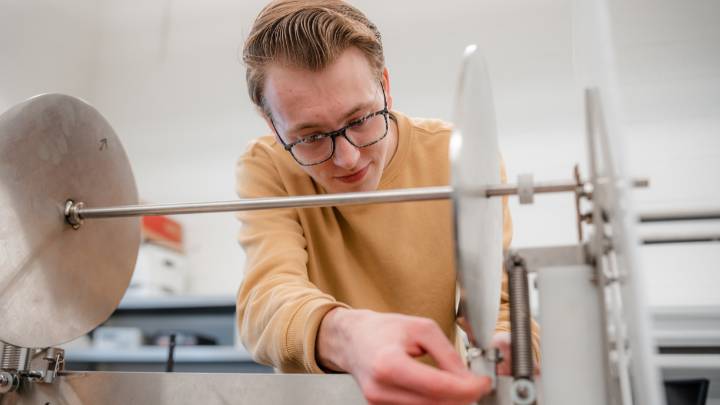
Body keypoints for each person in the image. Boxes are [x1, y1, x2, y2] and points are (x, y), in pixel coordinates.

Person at [235, 1, 539, 404]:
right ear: (272, 125)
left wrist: (509, 348)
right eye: (310, 137)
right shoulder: (267, 166)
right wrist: (347, 336)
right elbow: (266, 299)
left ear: (386, 86)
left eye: (360, 120)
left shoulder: (457, 156)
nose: (347, 158)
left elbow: (497, 304)